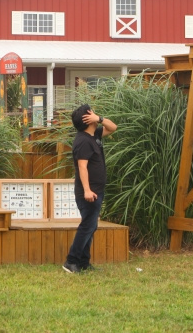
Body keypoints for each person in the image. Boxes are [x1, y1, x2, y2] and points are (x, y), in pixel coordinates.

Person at [63, 103, 116, 274]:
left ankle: (84, 262)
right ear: (87, 119)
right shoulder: (83, 141)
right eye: (91, 112)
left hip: (96, 191)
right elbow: (82, 167)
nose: (95, 113)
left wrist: (99, 119)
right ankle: (71, 261)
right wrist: (86, 190)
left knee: (91, 226)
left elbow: (113, 127)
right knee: (87, 226)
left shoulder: (95, 135)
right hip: (88, 193)